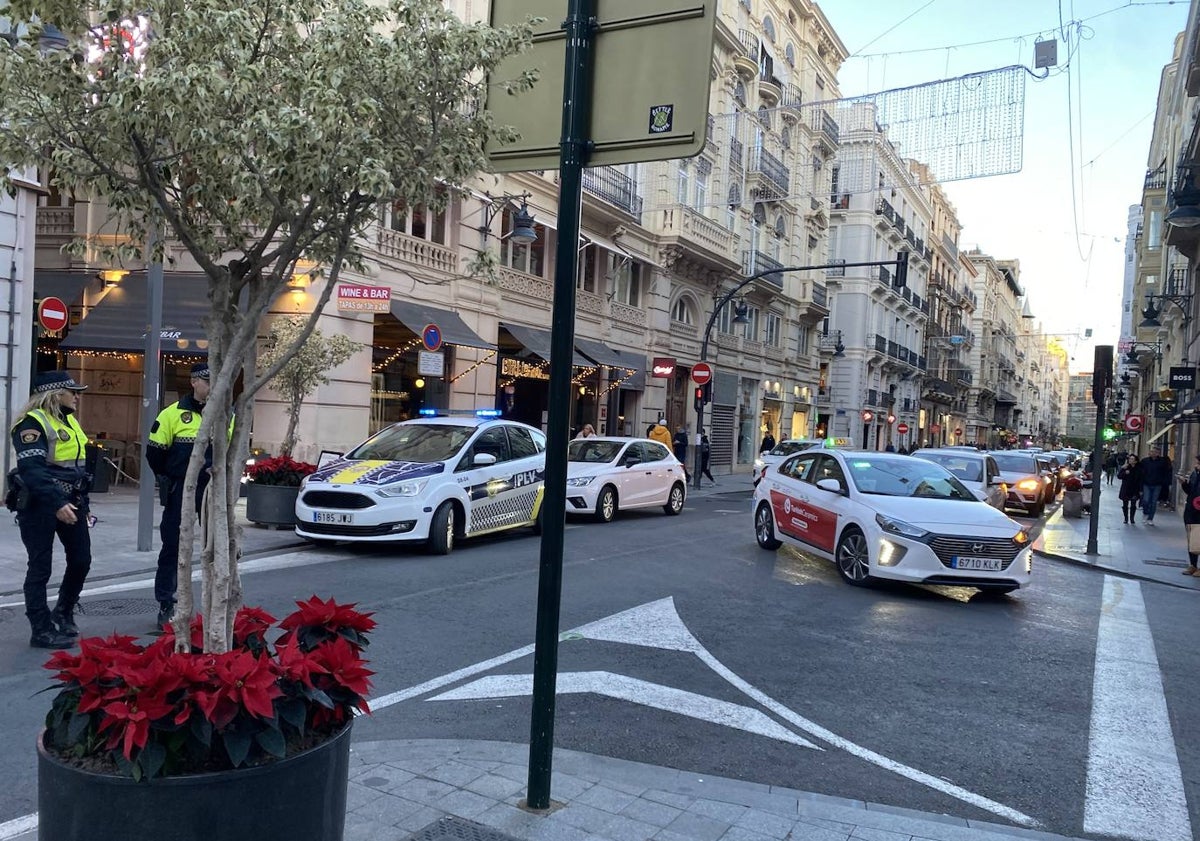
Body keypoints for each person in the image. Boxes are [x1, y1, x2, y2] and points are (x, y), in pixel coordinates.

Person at [10, 371, 93, 649]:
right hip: (40, 506)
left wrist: (85, 506)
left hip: (74, 502)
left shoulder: (68, 421)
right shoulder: (31, 424)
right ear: (56, 394)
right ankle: (41, 628)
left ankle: (64, 610)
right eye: (73, 392)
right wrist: (57, 503)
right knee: (40, 567)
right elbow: (32, 470)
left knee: (81, 560)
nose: (77, 397)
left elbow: (77, 469)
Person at [146, 363, 212, 627]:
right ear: (194, 382)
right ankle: (167, 602)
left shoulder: (223, 415)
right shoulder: (171, 414)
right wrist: (171, 478)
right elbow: (154, 454)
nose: (211, 386)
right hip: (180, 489)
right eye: (207, 381)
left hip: (211, 490)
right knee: (173, 546)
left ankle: (215, 603)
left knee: (216, 546)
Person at [1139, 445, 1173, 525]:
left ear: (1158, 453)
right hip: (1146, 483)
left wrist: (1164, 482)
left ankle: (1150, 518)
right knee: (1146, 500)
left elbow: (1166, 472)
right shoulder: (1145, 461)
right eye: (1151, 451)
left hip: (1157, 484)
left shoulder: (1162, 462)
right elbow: (1140, 470)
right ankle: (1146, 513)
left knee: (1153, 502)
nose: (1152, 453)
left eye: (1154, 452)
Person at [1180, 454, 1200, 575]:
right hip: (1191, 510)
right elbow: (1190, 491)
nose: (1196, 465)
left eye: (1198, 463)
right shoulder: (1194, 474)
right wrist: (1184, 484)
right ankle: (1192, 565)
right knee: (1192, 539)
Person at [1117, 454, 1142, 524]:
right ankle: (1126, 518)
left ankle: (1132, 518)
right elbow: (1119, 476)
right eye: (1130, 459)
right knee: (1125, 504)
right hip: (1126, 489)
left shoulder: (1139, 469)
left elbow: (1141, 480)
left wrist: (1140, 490)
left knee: (1133, 504)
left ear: (1136, 461)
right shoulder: (1125, 467)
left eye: (1132, 459)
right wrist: (1124, 472)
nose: (1130, 460)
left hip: (1135, 489)